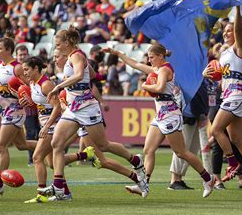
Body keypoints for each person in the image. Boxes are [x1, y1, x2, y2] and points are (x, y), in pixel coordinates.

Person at [38, 26, 148, 199]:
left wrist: (60, 85)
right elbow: (92, 74)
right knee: (56, 144)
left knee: (103, 146)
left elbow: (81, 74)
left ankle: (136, 160)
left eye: (58, 44)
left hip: (87, 107)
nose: (56, 47)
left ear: (67, 43)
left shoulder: (76, 55)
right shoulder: (74, 56)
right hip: (74, 108)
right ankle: (59, 186)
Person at [103, 43, 215, 198]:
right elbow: (135, 64)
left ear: (161, 56)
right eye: (148, 57)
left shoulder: (164, 69)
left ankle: (208, 179)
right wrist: (117, 53)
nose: (149, 60)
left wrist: (145, 86)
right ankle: (144, 185)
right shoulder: (157, 69)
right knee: (148, 150)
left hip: (170, 114)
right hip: (161, 115)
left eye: (152, 57)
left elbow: (160, 88)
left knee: (181, 152)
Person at [203, 6, 242, 191]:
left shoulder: (239, 48)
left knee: (215, 130)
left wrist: (237, 7)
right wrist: (206, 73)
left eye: (229, 30)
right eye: (224, 31)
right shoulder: (224, 54)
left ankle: (233, 163)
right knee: (236, 138)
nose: (226, 33)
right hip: (230, 94)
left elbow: (238, 28)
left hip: (236, 94)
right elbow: (218, 76)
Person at [21, 57, 98, 203]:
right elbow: (42, 105)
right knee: (53, 164)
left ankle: (41, 194)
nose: (24, 73)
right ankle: (68, 188)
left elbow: (57, 108)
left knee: (37, 157)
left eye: (26, 69)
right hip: (47, 124)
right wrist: (29, 102)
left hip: (54, 125)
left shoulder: (46, 84)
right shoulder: (32, 83)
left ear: (36, 69)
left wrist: (46, 125)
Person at [0, 33, 37, 196]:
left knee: (1, 146)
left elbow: (29, 87)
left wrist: (22, 95)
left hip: (15, 109)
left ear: (8, 50)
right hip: (3, 109)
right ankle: (50, 146)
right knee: (22, 145)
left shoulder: (17, 67)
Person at [168, 79, 212, 190]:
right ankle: (174, 180)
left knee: (192, 149)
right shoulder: (189, 78)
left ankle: (179, 179)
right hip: (186, 114)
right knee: (181, 148)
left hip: (197, 113)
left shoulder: (199, 78)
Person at [16, 44, 40, 167]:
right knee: (30, 133)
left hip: (39, 106)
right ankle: (32, 159)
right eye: (20, 55)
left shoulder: (31, 69)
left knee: (42, 132)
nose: (22, 57)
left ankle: (41, 156)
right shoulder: (13, 72)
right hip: (26, 109)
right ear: (16, 56)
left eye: (24, 54)